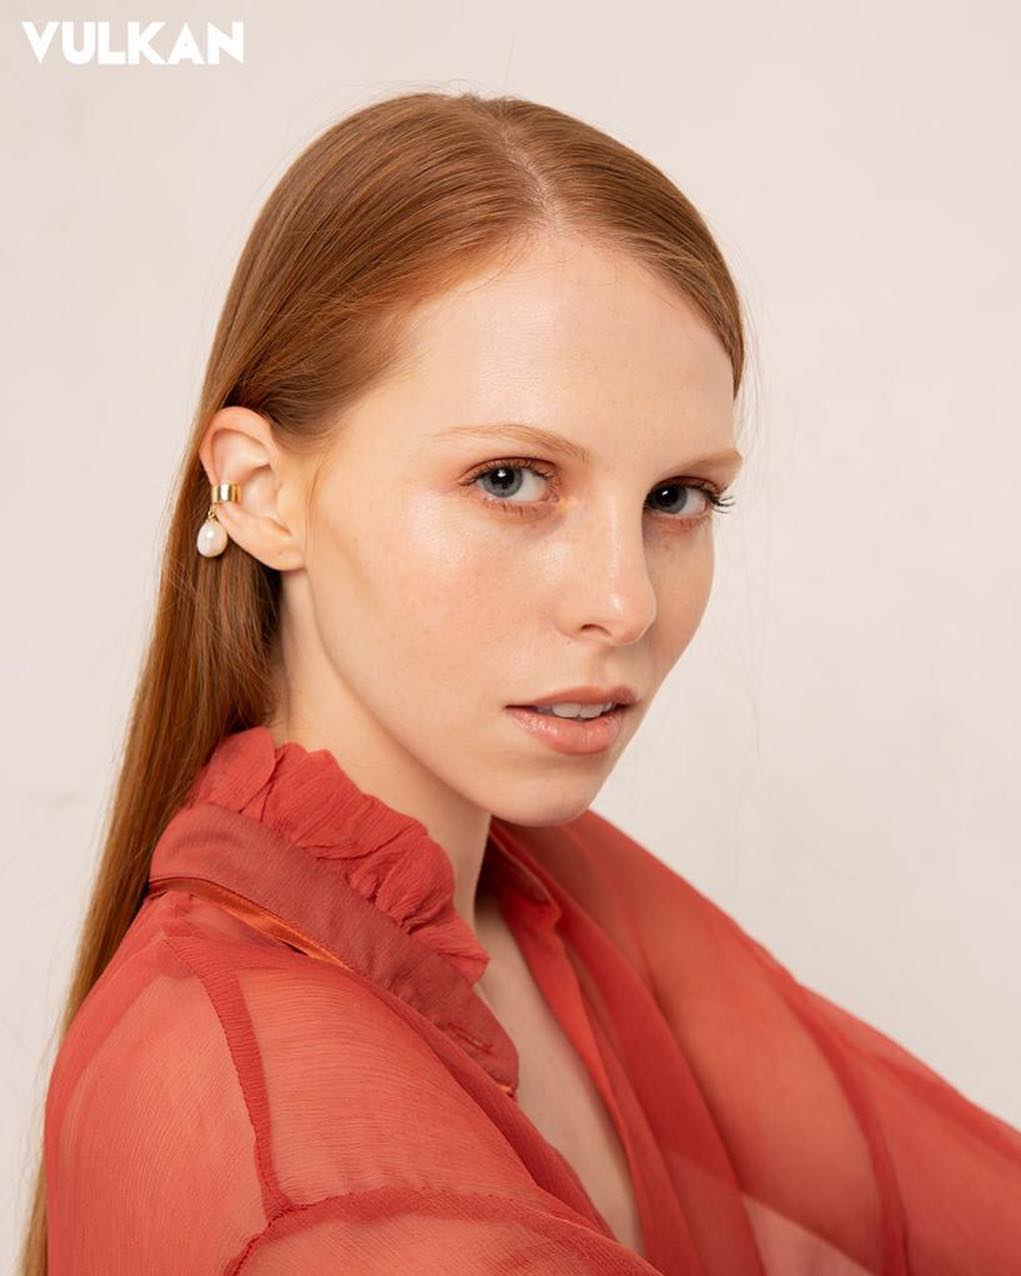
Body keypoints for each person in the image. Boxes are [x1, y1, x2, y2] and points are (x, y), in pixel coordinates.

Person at [22, 90, 1021, 1275]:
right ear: (259, 492)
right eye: (508, 479)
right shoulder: (279, 1134)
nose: (626, 601)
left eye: (675, 499)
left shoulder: (559, 903)